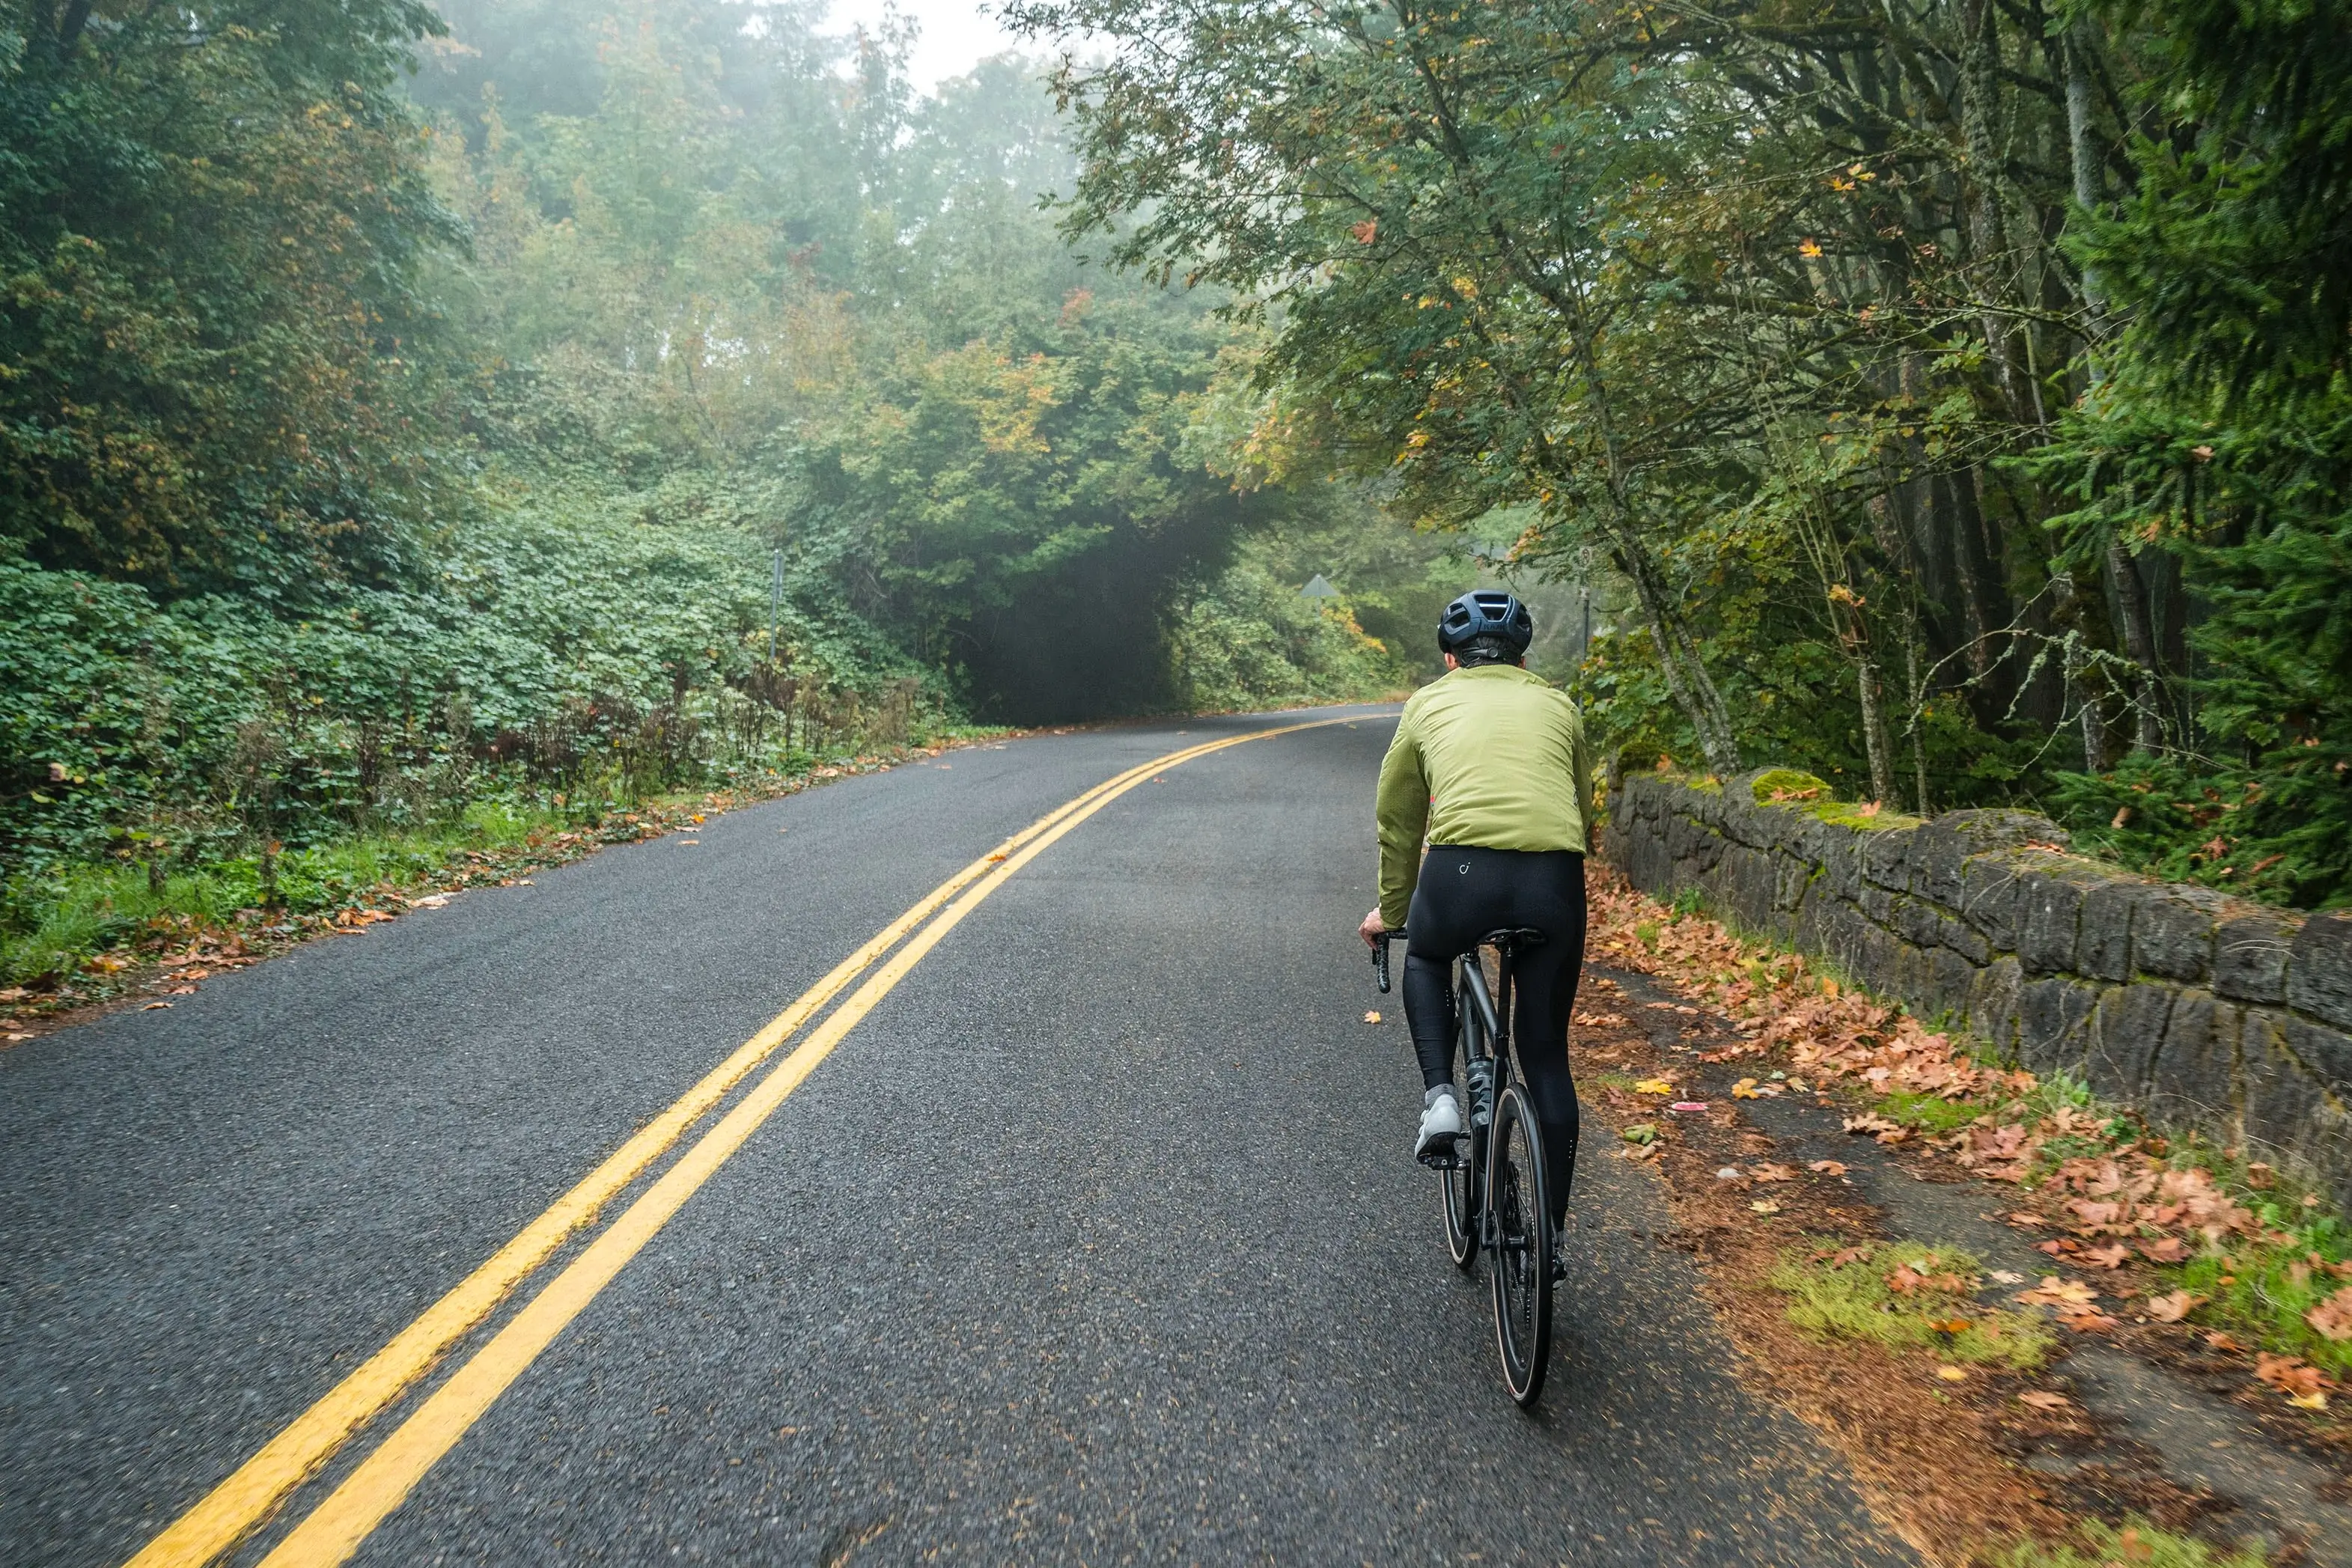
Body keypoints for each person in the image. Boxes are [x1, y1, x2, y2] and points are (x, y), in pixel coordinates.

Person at [1357, 590, 1594, 1231]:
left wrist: (1395, 908)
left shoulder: (1428, 703)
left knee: (1428, 956)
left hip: (1459, 873)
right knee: (1545, 1055)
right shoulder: (1557, 703)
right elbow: (1582, 803)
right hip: (1554, 879)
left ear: (1449, 657)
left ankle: (1440, 1099)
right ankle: (1549, 1233)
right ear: (1522, 659)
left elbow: (1400, 818)